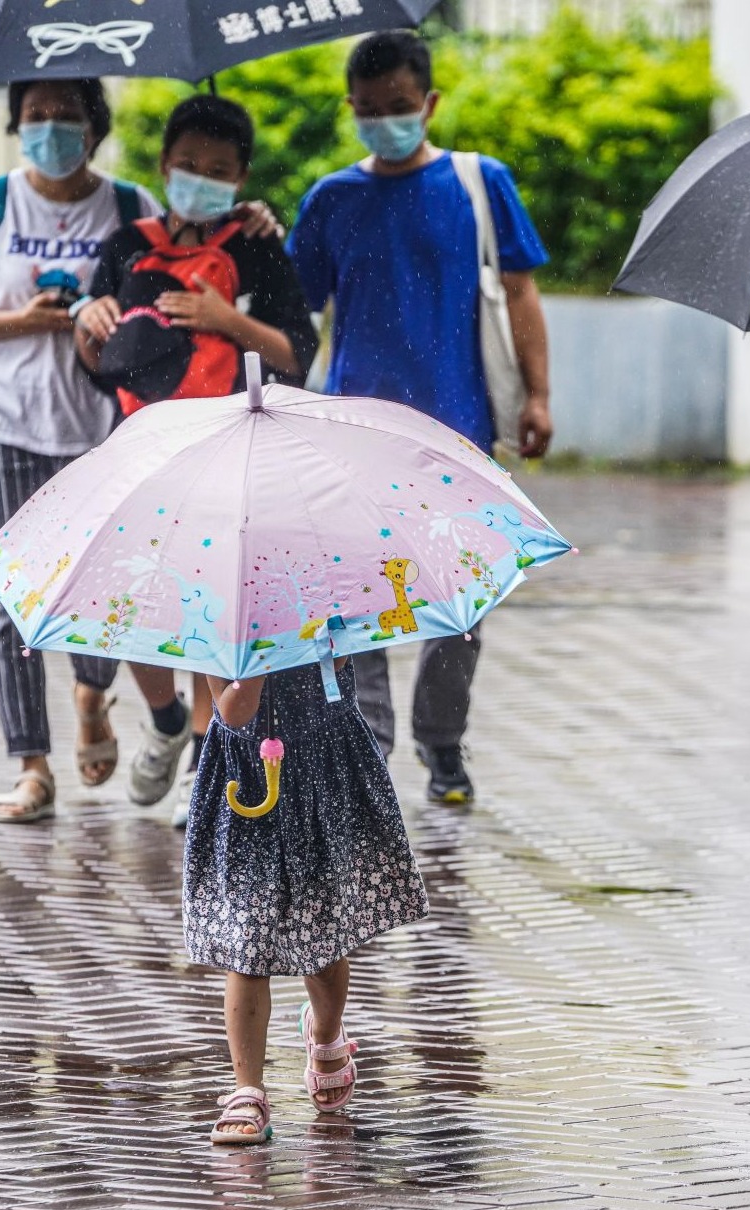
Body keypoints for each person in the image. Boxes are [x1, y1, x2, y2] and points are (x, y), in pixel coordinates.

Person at [287, 30, 553, 805]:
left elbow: (522, 292)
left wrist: (538, 394)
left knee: (461, 605)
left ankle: (443, 741)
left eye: (400, 108)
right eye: (369, 111)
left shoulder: (478, 184)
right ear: (350, 110)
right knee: (354, 601)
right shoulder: (330, 199)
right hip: (351, 440)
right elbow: (296, 313)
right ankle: (369, 748)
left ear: (429, 103)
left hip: (457, 433)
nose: (385, 121)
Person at [0, 78, 165, 825]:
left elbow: (170, 288)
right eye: (36, 117)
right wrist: (21, 320)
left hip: (102, 428)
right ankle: (31, 764)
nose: (51, 129)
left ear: (96, 126)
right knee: (8, 600)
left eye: (68, 116)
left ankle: (92, 693)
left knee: (104, 590)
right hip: (1, 421)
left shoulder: (131, 208)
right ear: (15, 125)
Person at [75, 95, 318, 821]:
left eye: (218, 169)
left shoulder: (258, 249)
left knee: (212, 598)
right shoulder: (126, 245)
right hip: (141, 449)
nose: (200, 178)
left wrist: (227, 320)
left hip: (228, 453)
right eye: (188, 166)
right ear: (163, 165)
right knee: (134, 599)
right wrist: (87, 327)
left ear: (242, 176)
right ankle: (167, 718)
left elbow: (296, 356)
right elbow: (102, 362)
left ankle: (210, 757)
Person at [185, 657, 429, 1145]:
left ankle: (325, 1032)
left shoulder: (322, 601)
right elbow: (233, 713)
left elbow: (339, 683)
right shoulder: (218, 624)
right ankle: (247, 1088)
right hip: (245, 781)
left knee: (321, 940)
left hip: (322, 772)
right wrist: (251, 665)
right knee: (247, 944)